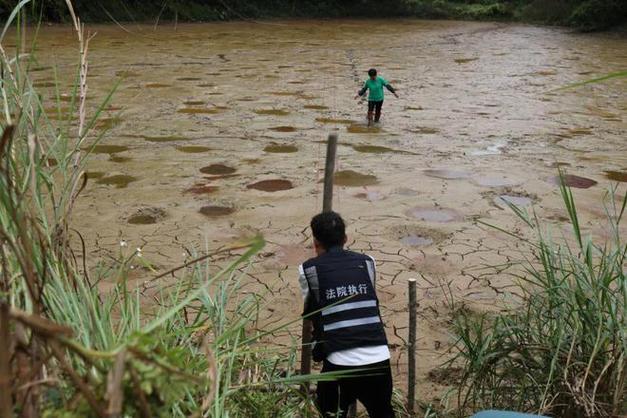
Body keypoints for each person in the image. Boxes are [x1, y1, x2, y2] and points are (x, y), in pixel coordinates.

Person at [298, 211, 395, 418]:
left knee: (330, 410)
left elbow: (312, 311)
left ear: (315, 242)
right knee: (383, 412)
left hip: (340, 362)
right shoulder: (368, 262)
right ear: (345, 239)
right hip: (378, 357)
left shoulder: (308, 270)